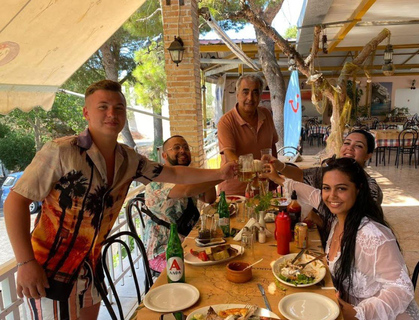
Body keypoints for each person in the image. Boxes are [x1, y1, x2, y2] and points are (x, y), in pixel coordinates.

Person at [3, 80, 235, 320]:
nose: (112, 113)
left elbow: (174, 173)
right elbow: (16, 202)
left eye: (119, 107)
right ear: (86, 113)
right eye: (103, 107)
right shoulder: (62, 151)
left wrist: (220, 173)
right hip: (50, 269)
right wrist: (25, 262)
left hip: (91, 266)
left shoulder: (129, 159)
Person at [272, 157, 419, 320]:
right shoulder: (338, 218)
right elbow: (312, 194)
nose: (332, 196)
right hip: (343, 307)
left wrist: (359, 313)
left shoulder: (372, 235)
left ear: (358, 190)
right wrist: (276, 178)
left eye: (341, 189)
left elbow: (402, 288)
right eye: (326, 188)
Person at [262, 130, 383, 227]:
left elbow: (355, 224)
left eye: (359, 146)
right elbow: (302, 176)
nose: (350, 148)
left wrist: (320, 220)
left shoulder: (370, 187)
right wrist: (279, 166)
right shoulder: (331, 173)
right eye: (347, 143)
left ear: (368, 155)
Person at [143, 135, 218, 274]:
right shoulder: (156, 180)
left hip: (189, 242)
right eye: (176, 148)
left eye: (186, 147)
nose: (183, 150)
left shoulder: (188, 177)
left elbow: (210, 198)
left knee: (220, 256)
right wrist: (221, 175)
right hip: (162, 252)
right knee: (200, 272)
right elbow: (186, 191)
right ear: (164, 155)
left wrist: (207, 175)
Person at [217, 73, 279, 195]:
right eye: (245, 92)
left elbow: (272, 147)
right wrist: (253, 173)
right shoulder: (226, 121)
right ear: (237, 94)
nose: (250, 98)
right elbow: (230, 155)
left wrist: (273, 174)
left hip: (263, 188)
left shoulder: (266, 115)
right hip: (235, 191)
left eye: (255, 92)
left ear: (260, 95)